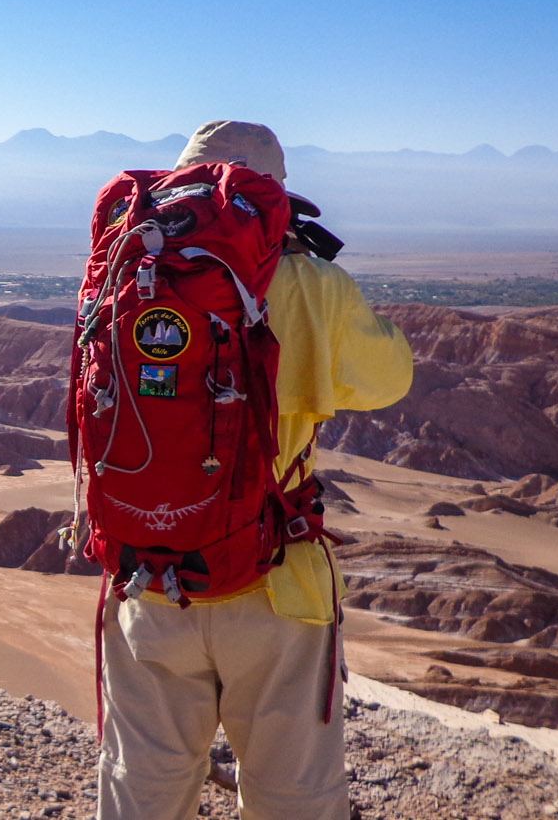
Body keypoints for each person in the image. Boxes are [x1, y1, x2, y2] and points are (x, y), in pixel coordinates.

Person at [94, 120, 414, 820]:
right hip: (277, 584)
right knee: (291, 794)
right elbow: (388, 380)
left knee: (141, 788)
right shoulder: (314, 283)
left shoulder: (125, 271)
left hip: (152, 572)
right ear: (275, 195)